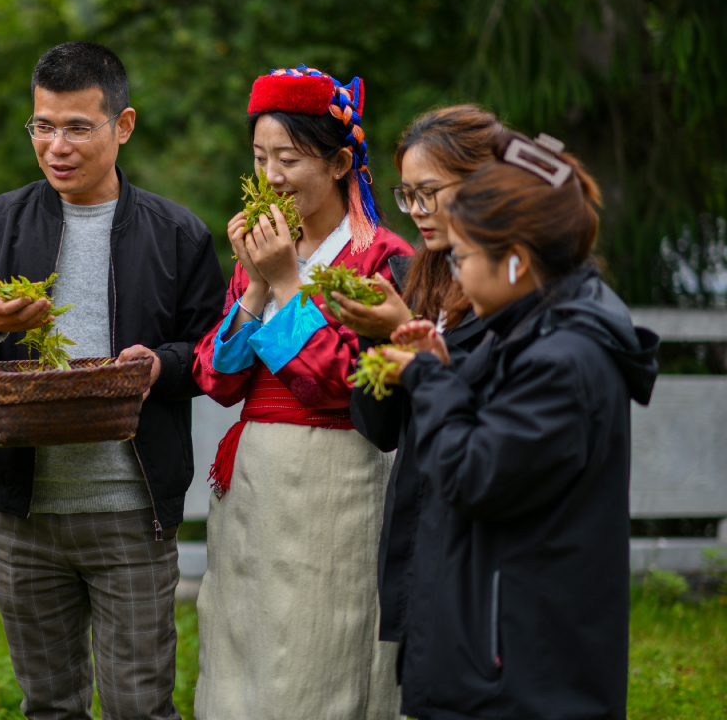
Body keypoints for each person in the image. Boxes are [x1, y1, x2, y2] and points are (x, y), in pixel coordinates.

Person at [0, 41, 226, 720]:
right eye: (43, 125)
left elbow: (212, 351)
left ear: (122, 126)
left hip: (131, 509)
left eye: (77, 127)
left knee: (139, 706)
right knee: (50, 706)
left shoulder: (176, 233)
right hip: (24, 511)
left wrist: (162, 365)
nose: (56, 145)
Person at [381, 131, 658, 719]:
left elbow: (471, 474)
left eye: (463, 256)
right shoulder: (531, 332)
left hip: (519, 676)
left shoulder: (563, 359)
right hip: (497, 657)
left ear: (516, 259)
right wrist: (441, 365)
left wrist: (430, 381)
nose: (454, 268)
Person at [191, 65, 414, 719]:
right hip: (256, 479)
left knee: (321, 645)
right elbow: (218, 379)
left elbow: (341, 385)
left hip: (338, 476)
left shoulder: (381, 258)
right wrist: (258, 286)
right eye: (260, 158)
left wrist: (287, 282)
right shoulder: (264, 254)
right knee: (247, 643)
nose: (271, 176)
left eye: (288, 158)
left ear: (342, 161)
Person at [340, 105, 504, 661]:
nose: (416, 212)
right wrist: (377, 339)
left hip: (483, 535)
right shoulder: (416, 279)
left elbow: (497, 411)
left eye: (429, 192)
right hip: (420, 523)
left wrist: (412, 350)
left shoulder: (514, 294)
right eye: (407, 195)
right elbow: (380, 428)